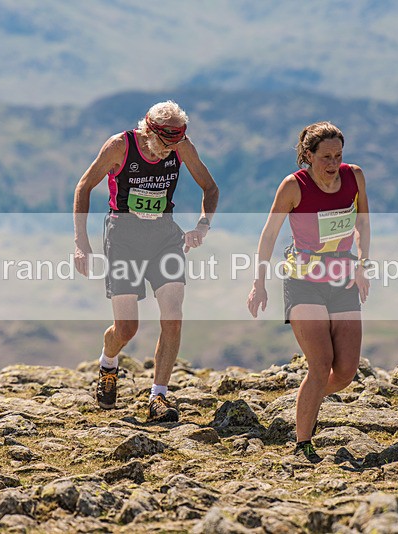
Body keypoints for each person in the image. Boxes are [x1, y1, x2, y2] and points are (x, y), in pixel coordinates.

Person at [74, 100, 219, 422]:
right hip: (123, 237)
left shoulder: (181, 146)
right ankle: (108, 363)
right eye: (166, 143)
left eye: (176, 142)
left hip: (164, 236)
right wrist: (81, 243)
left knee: (173, 316)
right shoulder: (119, 146)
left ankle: (159, 396)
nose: (171, 150)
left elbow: (210, 187)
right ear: (149, 131)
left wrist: (202, 226)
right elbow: (84, 186)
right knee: (127, 328)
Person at [247, 121, 370, 463]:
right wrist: (259, 283)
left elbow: (362, 223)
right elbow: (269, 234)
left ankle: (307, 398)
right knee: (320, 364)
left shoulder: (354, 177)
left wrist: (363, 264)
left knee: (345, 372)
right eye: (326, 156)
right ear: (308, 155)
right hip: (303, 282)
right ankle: (303, 444)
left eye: (338, 155)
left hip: (343, 280)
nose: (333, 163)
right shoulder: (293, 186)